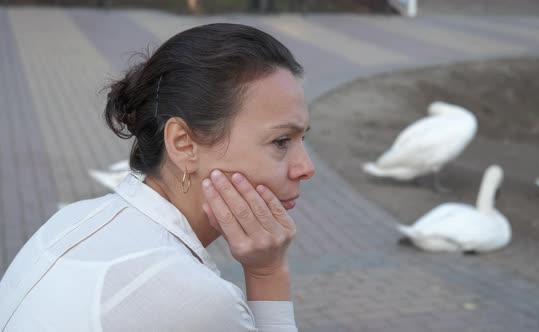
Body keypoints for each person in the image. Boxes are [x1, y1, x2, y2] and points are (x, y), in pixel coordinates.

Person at [0, 23, 315, 331]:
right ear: (183, 144)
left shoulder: (72, 220)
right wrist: (267, 273)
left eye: (303, 138)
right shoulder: (195, 301)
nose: (306, 167)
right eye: (281, 141)